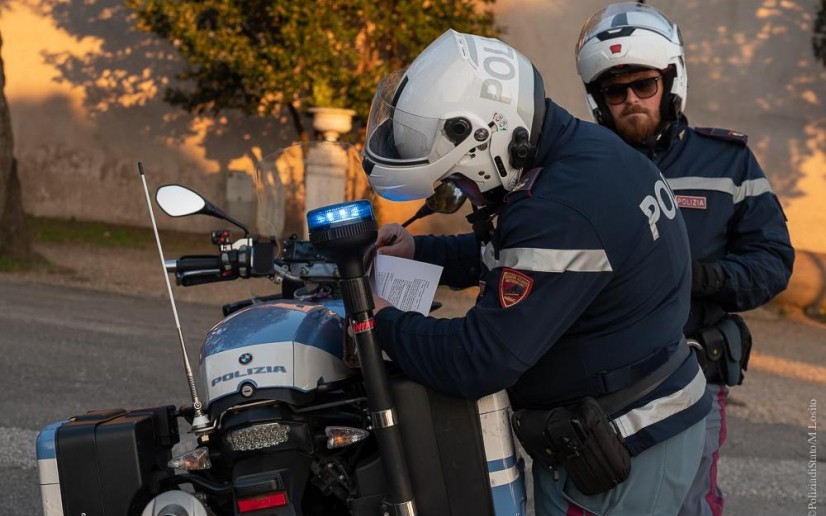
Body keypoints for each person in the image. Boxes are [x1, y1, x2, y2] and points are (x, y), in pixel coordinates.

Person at [362, 29, 711, 515]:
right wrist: (419, 249)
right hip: (641, 416)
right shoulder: (580, 152)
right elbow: (522, 259)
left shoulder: (560, 208)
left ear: (487, 139)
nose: (464, 191)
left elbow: (481, 359)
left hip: (623, 447)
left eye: (459, 178)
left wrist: (382, 321)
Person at [575, 4, 795, 515]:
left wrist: (704, 278)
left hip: (692, 373)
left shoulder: (727, 161)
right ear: (599, 100)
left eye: (644, 85)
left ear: (671, 83)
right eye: (615, 90)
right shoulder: (582, 169)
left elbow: (772, 259)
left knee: (688, 502)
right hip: (600, 384)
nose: (631, 99)